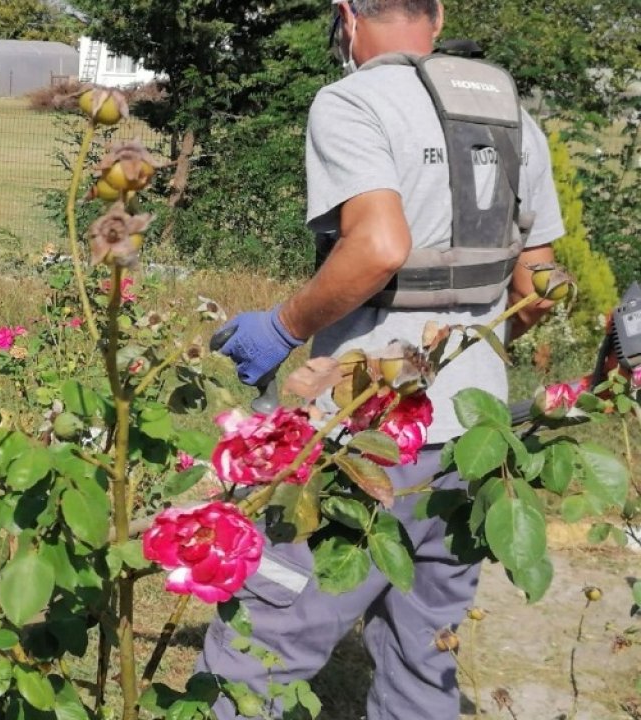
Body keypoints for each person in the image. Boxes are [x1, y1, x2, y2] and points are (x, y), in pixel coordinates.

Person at [203, 1, 565, 718]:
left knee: (263, 653)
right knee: (423, 668)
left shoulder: (354, 102)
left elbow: (378, 247)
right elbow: (540, 288)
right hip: (476, 439)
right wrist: (470, 359)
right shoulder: (510, 114)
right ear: (436, 12)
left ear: (346, 14)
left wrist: (282, 327)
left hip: (366, 437)